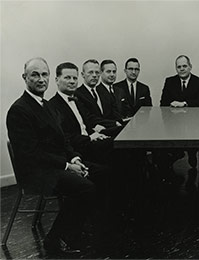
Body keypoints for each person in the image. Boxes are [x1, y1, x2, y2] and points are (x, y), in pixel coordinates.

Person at [6, 58, 105, 254]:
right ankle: (55, 239)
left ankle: (78, 228)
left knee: (103, 173)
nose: (41, 79)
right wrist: (67, 166)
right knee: (84, 187)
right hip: (36, 173)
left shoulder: (47, 104)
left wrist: (75, 159)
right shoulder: (19, 110)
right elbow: (31, 154)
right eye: (35, 75)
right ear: (25, 77)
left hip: (56, 165)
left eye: (44, 74)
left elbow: (62, 141)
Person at [48, 62, 120, 165]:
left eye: (74, 78)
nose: (72, 82)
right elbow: (64, 137)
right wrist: (90, 137)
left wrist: (98, 133)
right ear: (57, 80)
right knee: (118, 149)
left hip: (91, 142)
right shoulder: (52, 105)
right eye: (67, 78)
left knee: (121, 142)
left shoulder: (76, 100)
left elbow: (89, 120)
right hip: (79, 149)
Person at [159, 55, 199, 174]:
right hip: (174, 122)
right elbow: (163, 103)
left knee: (193, 137)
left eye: (184, 66)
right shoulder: (170, 81)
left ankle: (192, 153)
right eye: (179, 66)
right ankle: (177, 153)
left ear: (190, 67)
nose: (182, 69)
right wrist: (172, 104)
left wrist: (184, 103)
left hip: (194, 123)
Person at [96, 59, 129, 124]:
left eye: (114, 72)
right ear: (101, 73)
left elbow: (127, 110)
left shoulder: (120, 91)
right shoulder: (97, 91)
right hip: (108, 128)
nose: (112, 74)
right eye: (108, 71)